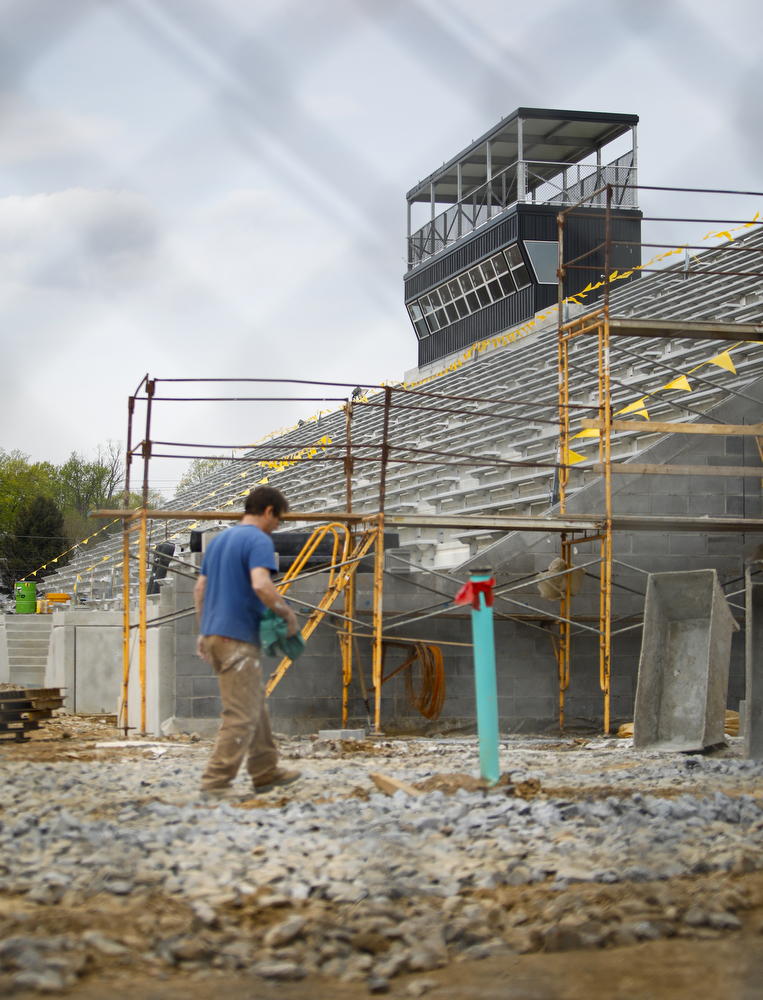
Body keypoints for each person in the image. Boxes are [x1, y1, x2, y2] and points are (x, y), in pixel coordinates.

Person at [193, 485, 300, 799]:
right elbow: (261, 584)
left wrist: (204, 630)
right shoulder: (258, 539)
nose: (277, 526)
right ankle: (215, 783)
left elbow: (200, 589)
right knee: (241, 713)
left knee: (254, 702)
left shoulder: (220, 541)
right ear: (268, 511)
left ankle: (265, 769)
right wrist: (288, 616)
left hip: (215, 635)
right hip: (237, 637)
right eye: (278, 519)